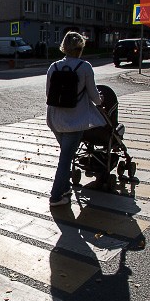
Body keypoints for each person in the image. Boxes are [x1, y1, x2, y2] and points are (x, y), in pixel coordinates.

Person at [45, 31, 105, 207]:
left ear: (64, 47)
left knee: (66, 156)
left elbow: (49, 94)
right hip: (74, 122)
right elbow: (94, 96)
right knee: (65, 160)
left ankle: (65, 189)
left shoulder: (53, 67)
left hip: (55, 120)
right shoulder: (84, 67)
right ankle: (56, 197)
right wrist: (100, 100)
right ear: (80, 49)